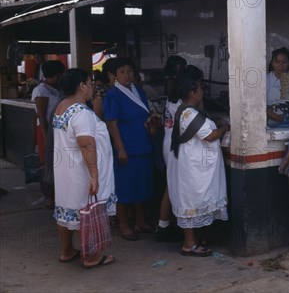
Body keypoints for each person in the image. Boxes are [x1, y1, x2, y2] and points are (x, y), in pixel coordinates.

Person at [52, 68, 116, 268]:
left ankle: (67, 251)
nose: (92, 87)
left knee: (67, 210)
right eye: (90, 83)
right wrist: (94, 176)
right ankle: (91, 257)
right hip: (81, 172)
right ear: (81, 86)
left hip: (65, 172)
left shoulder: (62, 106)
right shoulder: (81, 112)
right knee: (87, 212)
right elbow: (87, 144)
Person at [170, 76, 229, 256]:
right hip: (193, 167)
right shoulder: (189, 114)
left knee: (195, 200)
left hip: (195, 164)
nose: (202, 93)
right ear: (192, 93)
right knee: (191, 201)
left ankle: (193, 239)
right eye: (200, 90)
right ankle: (189, 244)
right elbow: (209, 136)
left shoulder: (189, 110)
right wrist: (225, 128)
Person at [103, 58, 153, 240]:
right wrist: (120, 149)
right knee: (124, 188)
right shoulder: (113, 95)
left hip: (143, 145)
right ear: (115, 75)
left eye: (130, 71)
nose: (127, 75)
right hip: (126, 147)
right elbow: (112, 124)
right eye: (122, 72)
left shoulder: (139, 91)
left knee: (141, 185)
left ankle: (140, 220)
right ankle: (123, 224)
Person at [157, 65, 204, 242]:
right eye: (198, 83)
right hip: (178, 143)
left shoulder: (173, 97)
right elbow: (199, 123)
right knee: (177, 186)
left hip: (170, 140)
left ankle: (164, 225)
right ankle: (168, 226)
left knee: (172, 184)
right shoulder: (183, 102)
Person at [31, 60, 65, 207]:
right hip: (46, 130)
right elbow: (41, 116)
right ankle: (49, 196)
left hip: (58, 129)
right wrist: (46, 140)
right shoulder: (41, 90)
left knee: (58, 162)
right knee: (48, 163)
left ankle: (59, 194)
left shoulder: (57, 88)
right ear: (57, 75)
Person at [266, 47, 289, 125]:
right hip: (273, 122)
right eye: (277, 62)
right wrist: (278, 118)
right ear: (272, 63)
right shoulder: (266, 79)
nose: (280, 65)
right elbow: (260, 106)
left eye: (284, 62)